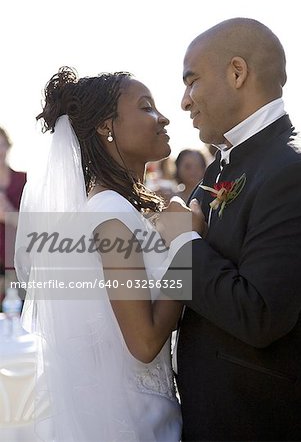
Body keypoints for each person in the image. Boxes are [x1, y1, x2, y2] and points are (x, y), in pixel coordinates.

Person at [156, 18, 301, 441]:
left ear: (237, 73)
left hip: (266, 424)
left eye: (192, 81)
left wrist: (183, 240)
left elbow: (258, 315)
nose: (184, 101)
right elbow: (193, 294)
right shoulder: (222, 166)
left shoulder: (299, 174)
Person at [15, 67, 182, 441]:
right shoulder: (110, 213)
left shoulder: (117, 209)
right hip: (135, 421)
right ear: (109, 126)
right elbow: (143, 342)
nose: (164, 117)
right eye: (147, 107)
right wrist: (186, 249)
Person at [0, 127, 26, 304]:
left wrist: (8, 214)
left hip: (17, 263)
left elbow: (36, 224)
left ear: (8, 147)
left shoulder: (24, 181)